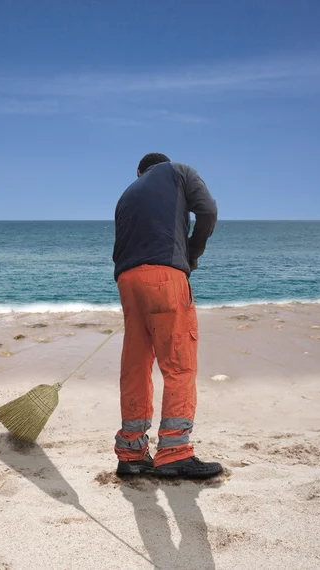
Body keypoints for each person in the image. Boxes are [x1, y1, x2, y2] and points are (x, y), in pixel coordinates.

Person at [113, 153, 222, 479]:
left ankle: (131, 454)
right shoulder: (179, 171)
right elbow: (208, 211)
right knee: (179, 364)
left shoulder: (126, 196)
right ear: (162, 164)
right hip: (164, 278)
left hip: (127, 280)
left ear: (139, 171)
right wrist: (192, 252)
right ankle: (175, 451)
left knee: (135, 366)